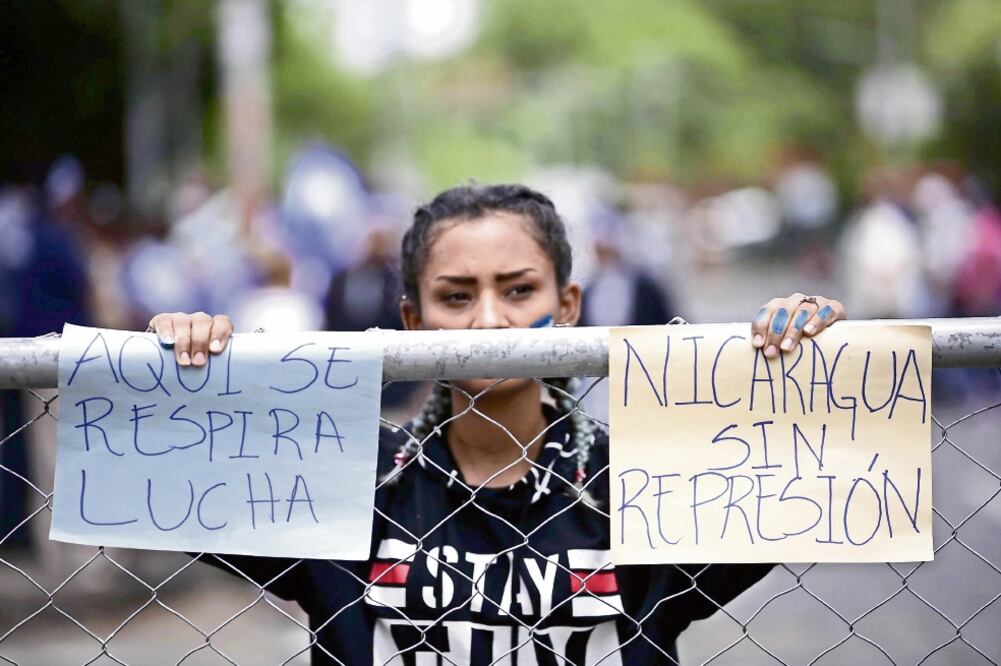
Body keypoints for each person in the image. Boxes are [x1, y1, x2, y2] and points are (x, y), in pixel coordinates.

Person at [150, 184, 846, 665]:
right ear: (414, 319)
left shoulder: (639, 482)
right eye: (456, 297)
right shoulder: (349, 481)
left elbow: (807, 478)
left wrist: (806, 359)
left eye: (518, 290)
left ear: (567, 305)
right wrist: (181, 368)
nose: (489, 320)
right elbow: (168, 479)